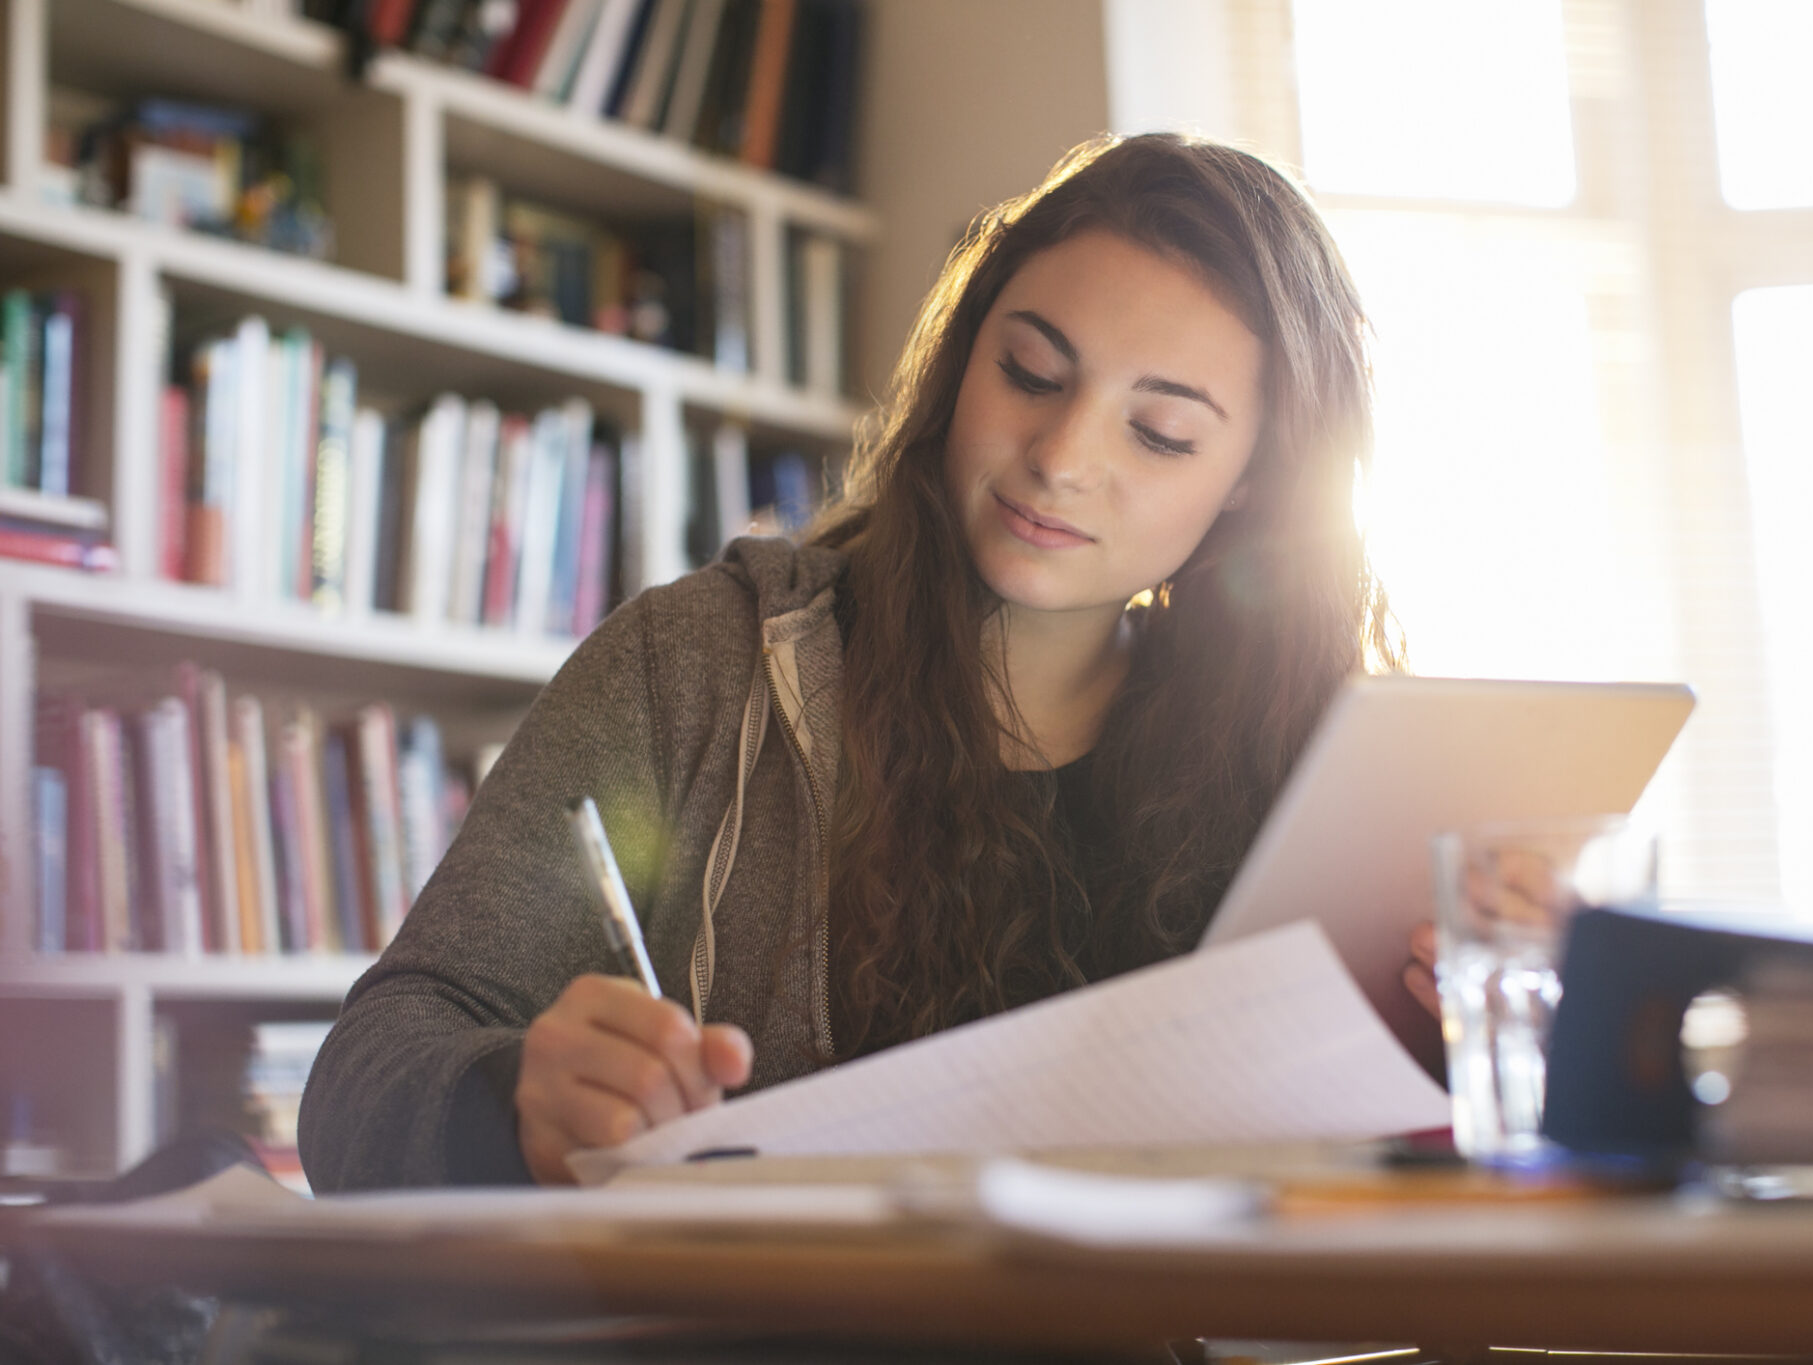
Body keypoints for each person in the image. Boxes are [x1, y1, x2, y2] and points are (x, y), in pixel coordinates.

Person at [300, 132, 1409, 1191]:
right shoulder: (692, 665)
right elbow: (363, 1077)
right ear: (961, 360)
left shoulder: (1307, 762)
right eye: (1028, 372)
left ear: (1253, 482)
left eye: (1159, 433)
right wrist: (511, 1103)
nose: (1061, 460)